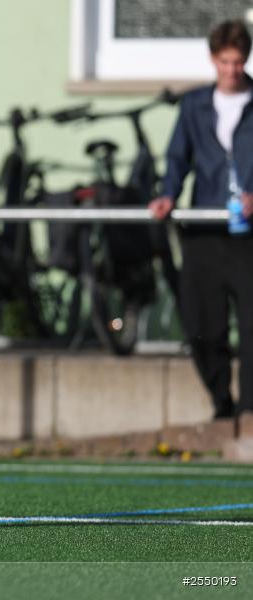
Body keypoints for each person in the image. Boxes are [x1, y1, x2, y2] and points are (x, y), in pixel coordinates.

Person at [149, 20, 253, 421]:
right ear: (214, 60)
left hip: (247, 237)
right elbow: (178, 157)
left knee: (250, 329)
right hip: (205, 229)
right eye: (225, 62)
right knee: (202, 327)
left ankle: (249, 412)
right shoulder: (194, 105)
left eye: (239, 62)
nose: (232, 70)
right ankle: (221, 403)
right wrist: (167, 194)